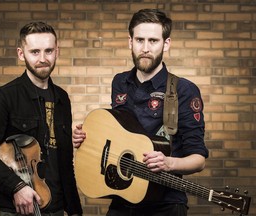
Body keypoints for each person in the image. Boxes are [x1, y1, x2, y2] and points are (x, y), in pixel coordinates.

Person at [72, 9, 209, 216]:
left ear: (166, 43)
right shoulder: (120, 82)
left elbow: (198, 159)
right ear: (130, 42)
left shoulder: (184, 90)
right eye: (139, 40)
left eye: (153, 41)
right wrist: (87, 137)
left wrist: (168, 162)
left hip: (165, 204)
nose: (145, 48)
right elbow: (118, 134)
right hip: (122, 197)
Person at [0, 22, 82, 216]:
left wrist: (75, 210)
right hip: (21, 209)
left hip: (58, 208)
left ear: (57, 51)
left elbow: (65, 161)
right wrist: (17, 187)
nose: (43, 59)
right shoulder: (3, 97)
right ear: (21, 54)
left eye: (48, 51)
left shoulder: (62, 98)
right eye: (35, 52)